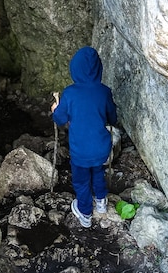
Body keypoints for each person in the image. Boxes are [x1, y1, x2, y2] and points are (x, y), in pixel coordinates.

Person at [51, 46, 118, 228]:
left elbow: (60, 118)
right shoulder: (104, 91)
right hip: (100, 147)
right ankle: (101, 202)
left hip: (80, 149)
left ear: (75, 68)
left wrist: (55, 109)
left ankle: (85, 212)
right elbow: (113, 118)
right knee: (98, 172)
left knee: (81, 181)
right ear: (99, 69)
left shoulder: (70, 93)